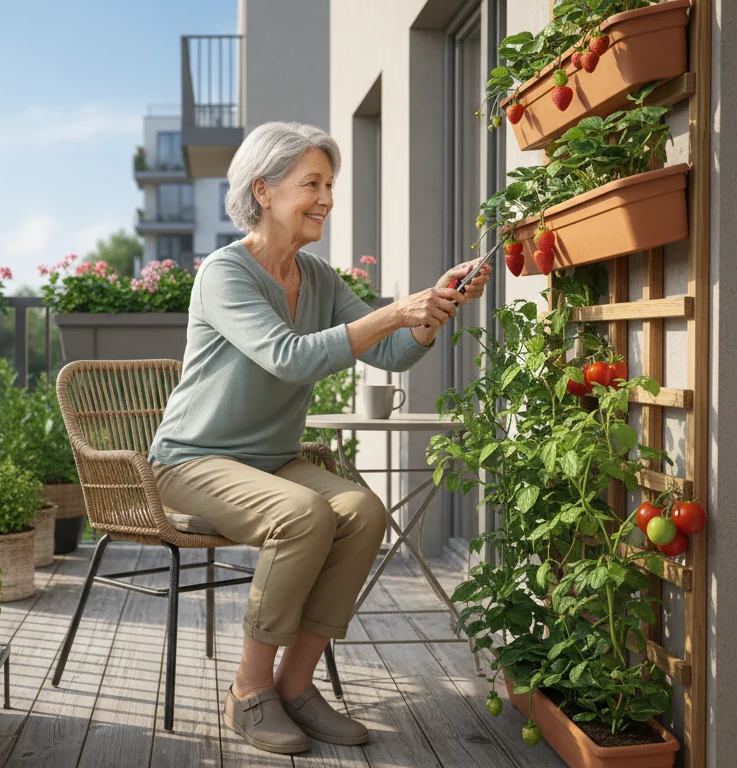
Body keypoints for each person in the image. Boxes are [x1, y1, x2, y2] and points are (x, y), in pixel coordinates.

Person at [147, 121, 491, 755]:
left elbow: (390, 352)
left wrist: (431, 312)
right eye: (312, 183)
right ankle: (250, 693)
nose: (327, 197)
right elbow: (289, 357)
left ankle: (297, 686)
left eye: (330, 183)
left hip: (272, 461)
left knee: (362, 509)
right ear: (264, 190)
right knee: (303, 514)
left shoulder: (319, 279)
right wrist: (397, 307)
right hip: (192, 461)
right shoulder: (225, 273)